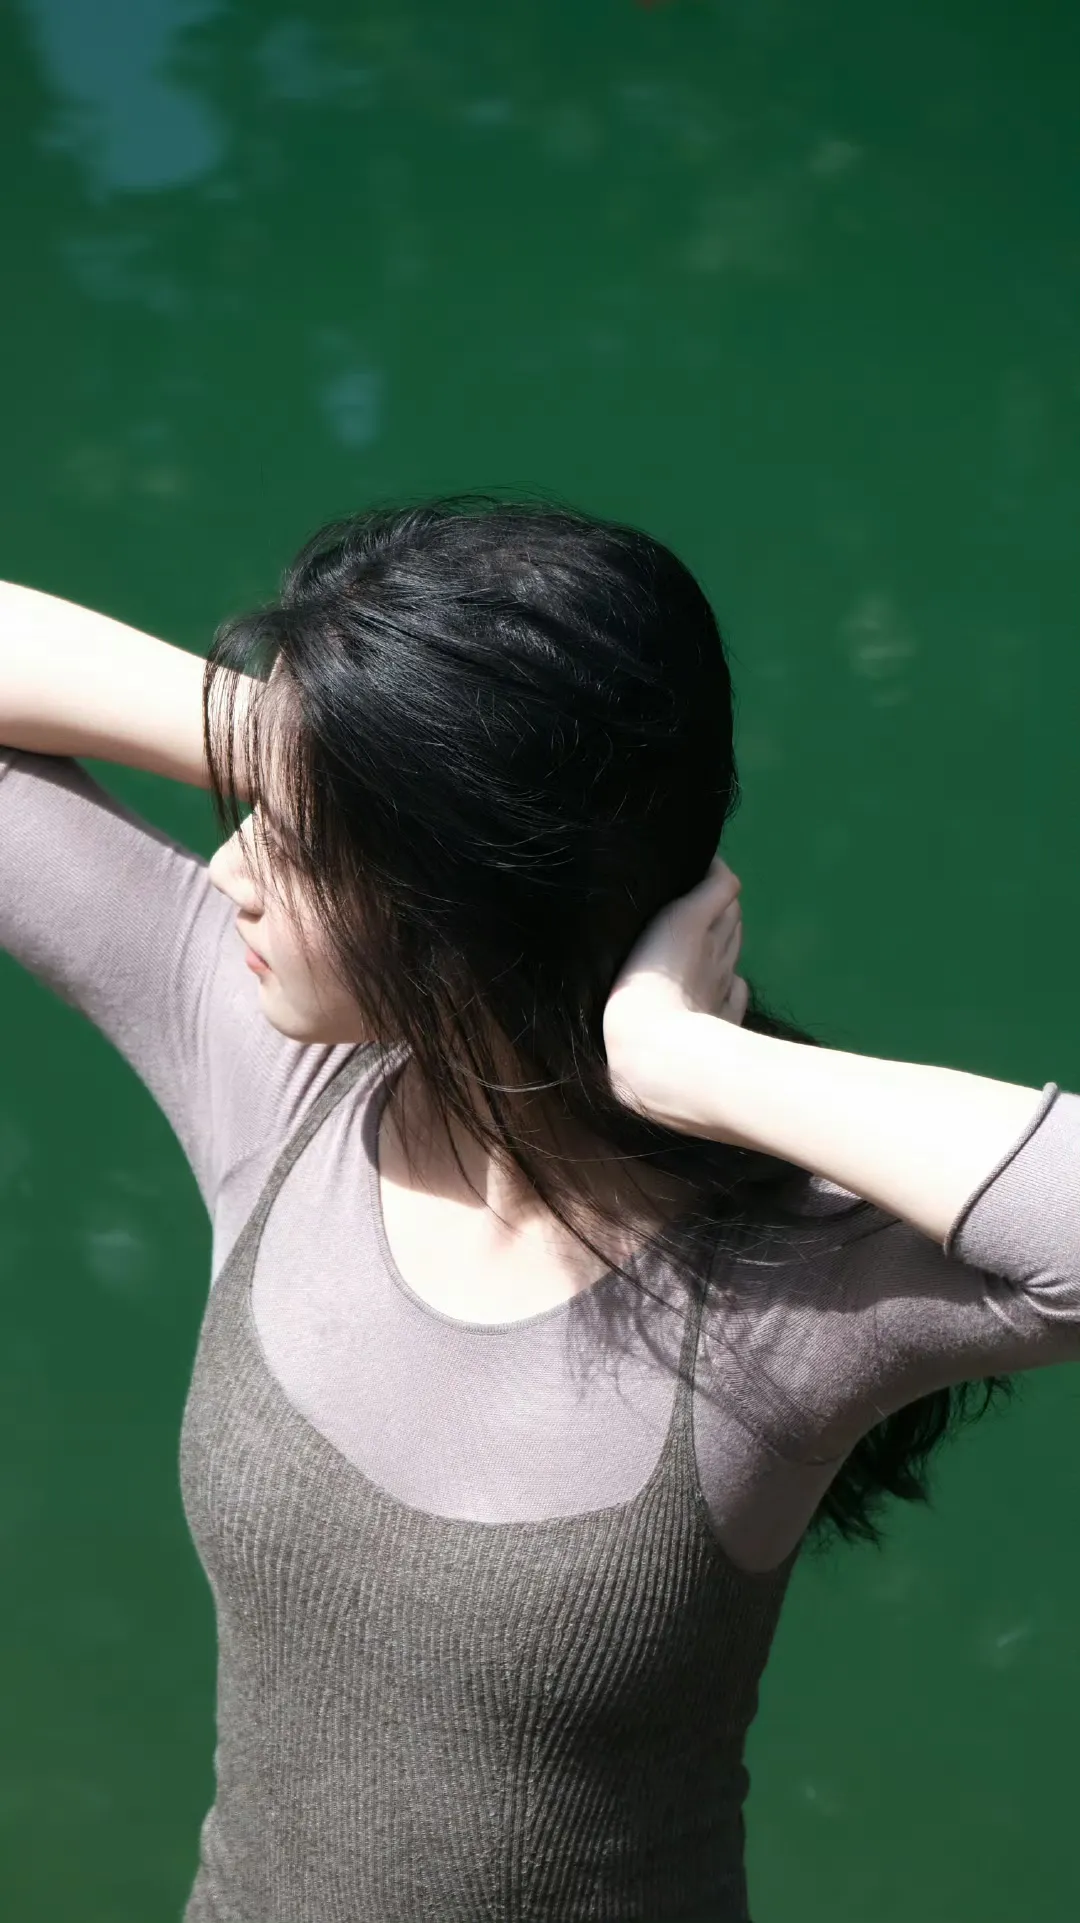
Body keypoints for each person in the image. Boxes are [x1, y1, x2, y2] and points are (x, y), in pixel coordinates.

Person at [0, 493, 1073, 1923]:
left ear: (463, 896)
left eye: (301, 837)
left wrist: (687, 1062)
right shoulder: (271, 1072)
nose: (233, 867)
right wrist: (301, 739)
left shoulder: (785, 1274)